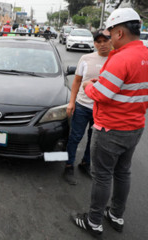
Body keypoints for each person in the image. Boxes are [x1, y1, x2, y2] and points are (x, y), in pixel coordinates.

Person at [72, 8, 148, 239]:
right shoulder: (144, 54)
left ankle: (94, 221)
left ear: (120, 33)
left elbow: (101, 94)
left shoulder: (122, 58)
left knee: (103, 175)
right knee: (123, 172)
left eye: (111, 32)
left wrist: (89, 86)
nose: (110, 37)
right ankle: (116, 215)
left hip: (111, 128)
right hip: (135, 126)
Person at [63, 29, 112, 185]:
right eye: (98, 41)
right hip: (83, 106)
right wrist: (71, 103)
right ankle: (68, 165)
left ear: (111, 41)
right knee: (75, 137)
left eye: (105, 40)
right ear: (94, 43)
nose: (102, 44)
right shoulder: (86, 58)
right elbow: (77, 81)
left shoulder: (116, 59)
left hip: (103, 109)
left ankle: (86, 163)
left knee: (94, 141)